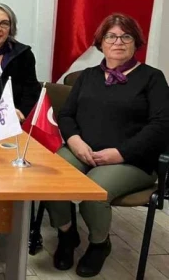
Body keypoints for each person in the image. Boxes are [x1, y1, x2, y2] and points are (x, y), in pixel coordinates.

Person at [45, 14, 169, 277]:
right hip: (82, 149)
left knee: (95, 191)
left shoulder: (153, 78)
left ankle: (99, 244)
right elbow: (66, 115)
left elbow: (161, 126)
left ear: (136, 42)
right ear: (100, 43)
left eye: (126, 36)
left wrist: (121, 153)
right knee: (51, 178)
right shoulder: (88, 76)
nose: (118, 42)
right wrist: (75, 141)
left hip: (131, 159)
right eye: (111, 36)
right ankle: (67, 234)